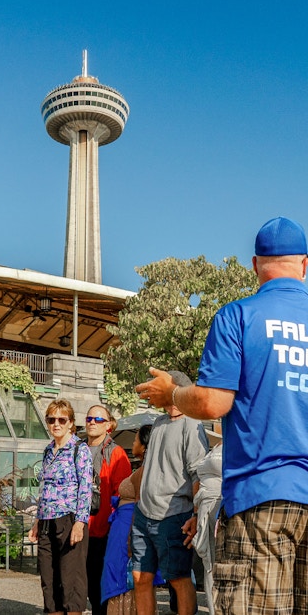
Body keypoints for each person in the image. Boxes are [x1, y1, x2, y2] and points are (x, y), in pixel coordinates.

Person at [136, 216, 308, 615]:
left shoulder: (238, 316)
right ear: (304, 265)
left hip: (261, 496)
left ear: (254, 265)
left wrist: (173, 392)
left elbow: (214, 403)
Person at [131, 371, 208, 615]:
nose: (151, 392)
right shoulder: (158, 423)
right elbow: (149, 467)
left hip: (174, 516)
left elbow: (198, 474)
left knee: (178, 578)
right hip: (144, 515)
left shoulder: (193, 424)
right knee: (140, 577)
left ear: (174, 388)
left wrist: (196, 514)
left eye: (156, 387)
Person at [28, 399, 93, 615]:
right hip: (46, 520)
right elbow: (43, 488)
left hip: (69, 518)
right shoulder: (48, 450)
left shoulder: (79, 449)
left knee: (70, 579)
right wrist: (37, 521)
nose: (56, 424)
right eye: (51, 419)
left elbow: (85, 487)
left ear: (70, 422)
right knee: (49, 578)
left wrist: (80, 523)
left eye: (61, 419)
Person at [101, 424, 164, 615]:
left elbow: (141, 504)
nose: (133, 443)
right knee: (121, 575)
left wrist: (133, 538)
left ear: (144, 446)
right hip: (123, 526)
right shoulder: (144, 469)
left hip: (129, 528)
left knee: (125, 577)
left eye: (136, 440)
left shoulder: (147, 471)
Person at [85, 405, 132, 615]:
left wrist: (118, 532)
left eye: (98, 419)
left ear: (109, 425)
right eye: (89, 418)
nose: (92, 422)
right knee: (81, 584)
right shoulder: (77, 449)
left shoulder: (116, 453)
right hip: (77, 527)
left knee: (99, 587)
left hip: (102, 530)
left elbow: (122, 495)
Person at [191, 443, 222, 615]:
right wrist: (195, 515)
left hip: (222, 506)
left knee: (223, 566)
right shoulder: (216, 445)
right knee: (208, 565)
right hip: (204, 508)